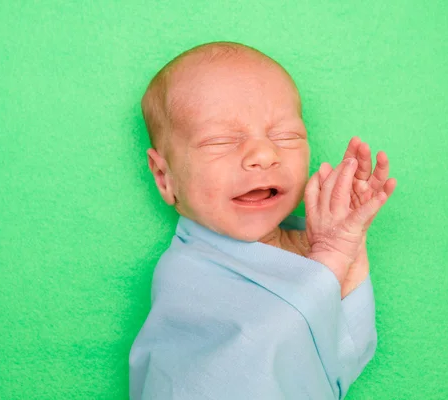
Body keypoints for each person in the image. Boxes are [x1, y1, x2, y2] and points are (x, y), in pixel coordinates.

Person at [129, 41, 397, 399]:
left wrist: (346, 245)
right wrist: (330, 261)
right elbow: (252, 360)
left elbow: (344, 355)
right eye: (220, 141)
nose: (263, 154)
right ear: (165, 178)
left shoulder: (306, 239)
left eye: (286, 136)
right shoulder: (187, 276)